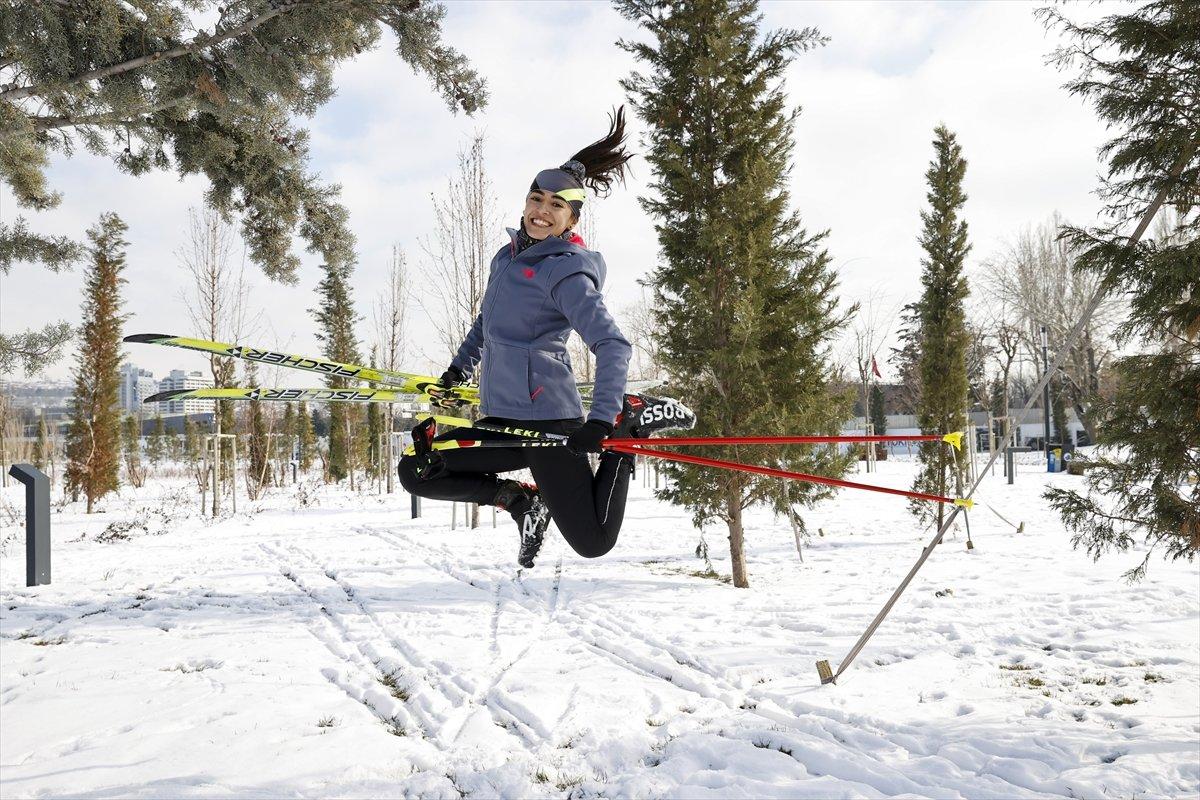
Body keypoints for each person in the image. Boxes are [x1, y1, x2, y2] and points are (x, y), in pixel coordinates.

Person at [397, 107, 694, 568]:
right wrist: (458, 370)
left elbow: (613, 345)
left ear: (570, 220)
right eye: (537, 199)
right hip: (501, 420)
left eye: (556, 206)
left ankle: (627, 424)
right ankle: (520, 502)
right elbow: (486, 325)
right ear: (525, 203)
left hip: (549, 426)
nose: (542, 211)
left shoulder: (566, 272)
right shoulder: (506, 258)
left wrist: (599, 422)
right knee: (420, 469)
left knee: (592, 541)